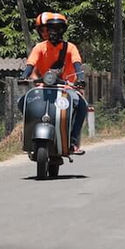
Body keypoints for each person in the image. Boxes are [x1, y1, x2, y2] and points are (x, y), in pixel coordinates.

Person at [18, 12, 87, 153]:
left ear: (63, 30)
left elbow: (77, 64)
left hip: (67, 88)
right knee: (22, 102)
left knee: (82, 106)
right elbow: (30, 64)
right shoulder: (39, 47)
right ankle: (30, 135)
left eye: (57, 29)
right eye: (49, 29)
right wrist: (24, 76)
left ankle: (73, 142)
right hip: (44, 87)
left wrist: (80, 79)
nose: (52, 32)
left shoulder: (71, 48)